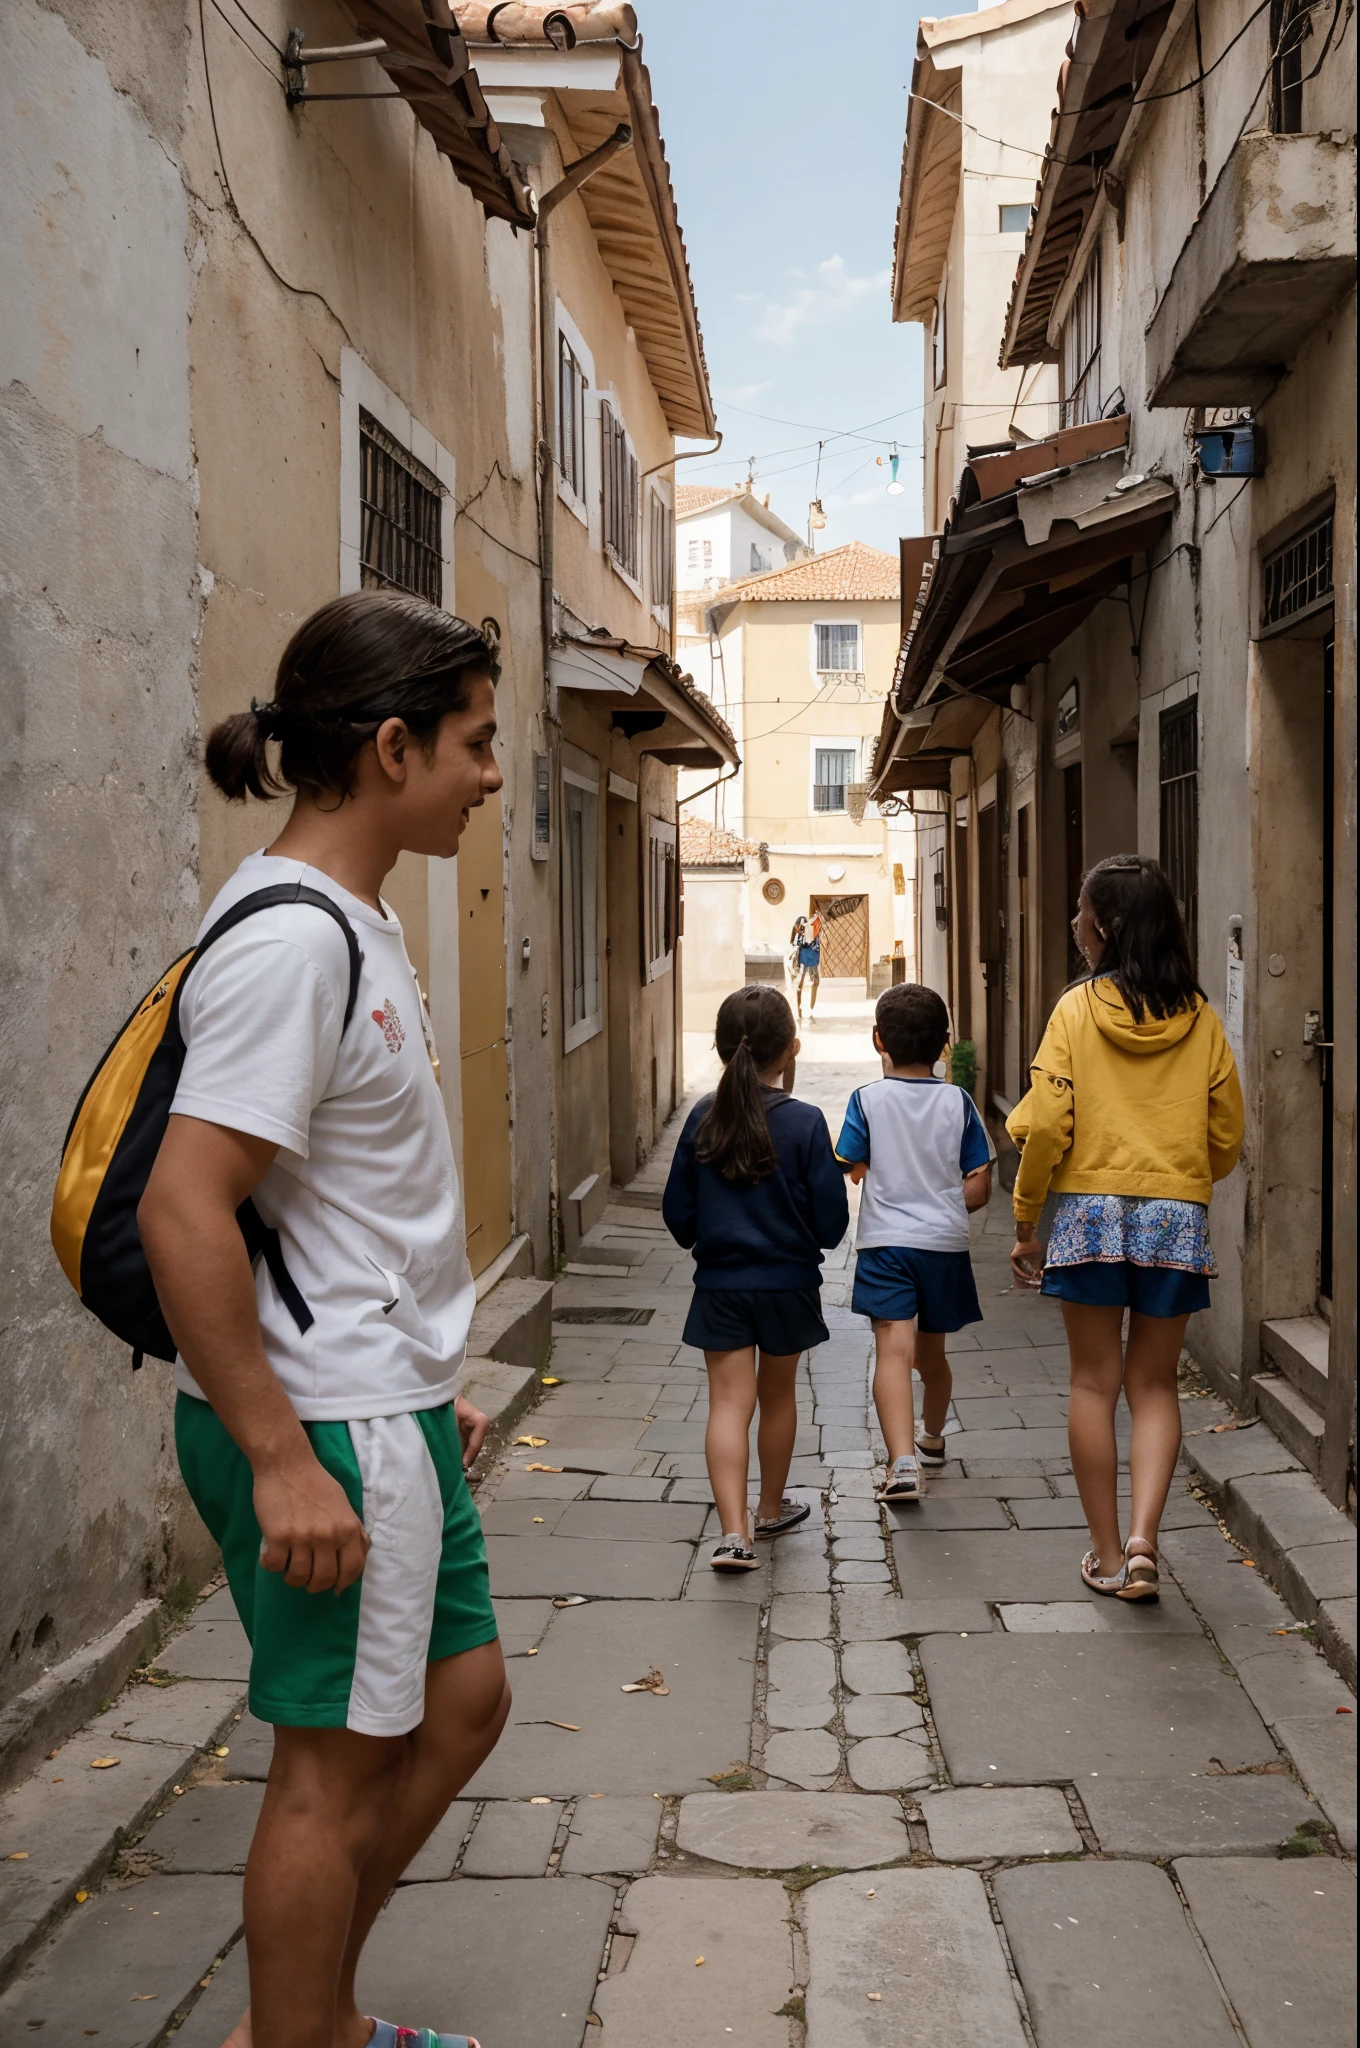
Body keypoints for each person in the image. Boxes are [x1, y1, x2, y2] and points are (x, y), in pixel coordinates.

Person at [138, 591, 509, 2048]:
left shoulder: (350, 919)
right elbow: (185, 1205)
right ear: (395, 748)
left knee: (460, 1699)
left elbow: (323, 1199)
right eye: (476, 743)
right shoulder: (294, 943)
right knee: (330, 1772)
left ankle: (312, 2023)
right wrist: (283, 1450)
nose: (491, 774)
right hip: (329, 1426)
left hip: (379, 1400)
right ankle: (295, 2038)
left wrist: (420, 1371)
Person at [1007, 854, 1244, 1601]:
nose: (1076, 927)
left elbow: (1045, 1125)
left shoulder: (1075, 1011)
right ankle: (1146, 1540)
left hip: (1088, 1212)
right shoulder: (1201, 1017)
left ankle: (1107, 1556)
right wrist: (1181, 1177)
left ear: (1101, 926)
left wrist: (1026, 1219)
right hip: (1176, 1215)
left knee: (1092, 1381)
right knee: (1154, 1385)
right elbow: (1227, 1134)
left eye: (1080, 914)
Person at [662, 984, 848, 1568]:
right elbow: (831, 1223)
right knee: (778, 1395)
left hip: (721, 1286)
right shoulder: (807, 1122)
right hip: (788, 1286)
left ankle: (733, 1534)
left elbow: (678, 1215)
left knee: (728, 1405)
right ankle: (770, 1509)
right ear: (790, 1050)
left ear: (720, 1049)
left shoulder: (702, 1118)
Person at [835, 984, 993, 1503]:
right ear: (946, 1043)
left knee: (892, 1353)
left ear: (878, 1040)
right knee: (933, 1356)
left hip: (885, 1244)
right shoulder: (959, 1103)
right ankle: (932, 1437)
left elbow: (853, 1169)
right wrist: (945, 1200)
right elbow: (979, 1184)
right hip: (943, 1246)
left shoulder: (866, 1100)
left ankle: (902, 1463)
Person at [789, 910, 823, 1021]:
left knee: (814, 983)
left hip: (812, 959)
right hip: (803, 960)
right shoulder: (799, 935)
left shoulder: (814, 935)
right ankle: (800, 1010)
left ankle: (810, 1008)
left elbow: (816, 946)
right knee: (800, 984)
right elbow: (795, 944)